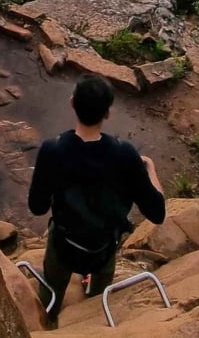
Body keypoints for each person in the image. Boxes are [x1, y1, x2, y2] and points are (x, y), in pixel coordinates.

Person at [27, 74, 165, 324]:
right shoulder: (125, 155)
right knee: (100, 292)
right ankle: (91, 315)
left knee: (52, 284)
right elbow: (157, 212)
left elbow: (37, 208)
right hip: (102, 249)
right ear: (108, 113)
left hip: (64, 246)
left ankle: (48, 317)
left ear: (72, 103)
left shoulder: (53, 149)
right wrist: (150, 168)